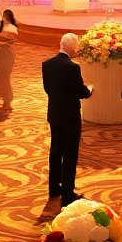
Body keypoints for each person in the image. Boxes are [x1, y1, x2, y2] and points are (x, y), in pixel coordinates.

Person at [41, 33, 92, 206]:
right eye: (76, 46)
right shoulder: (72, 67)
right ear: (70, 46)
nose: (77, 49)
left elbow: (48, 89)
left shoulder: (46, 65)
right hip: (70, 115)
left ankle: (54, 187)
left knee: (56, 150)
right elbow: (80, 92)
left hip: (54, 112)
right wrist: (89, 90)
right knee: (70, 152)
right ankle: (68, 193)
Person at [0, 9, 19, 111]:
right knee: (1, 78)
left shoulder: (11, 29)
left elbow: (7, 44)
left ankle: (8, 102)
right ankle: (5, 102)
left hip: (8, 56)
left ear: (6, 18)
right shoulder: (3, 27)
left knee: (5, 79)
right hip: (2, 55)